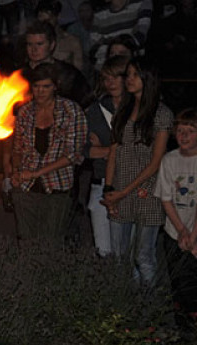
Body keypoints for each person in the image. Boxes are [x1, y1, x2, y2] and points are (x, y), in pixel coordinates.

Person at [102, 60, 173, 286]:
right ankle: (128, 309)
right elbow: (114, 152)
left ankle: (150, 312)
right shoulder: (122, 110)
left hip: (147, 191)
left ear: (147, 79)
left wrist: (124, 191)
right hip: (119, 190)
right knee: (120, 259)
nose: (129, 79)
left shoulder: (161, 114)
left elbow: (155, 162)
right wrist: (109, 189)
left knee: (143, 257)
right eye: (128, 74)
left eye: (135, 74)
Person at [9, 64, 87, 240]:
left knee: (50, 241)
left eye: (46, 87)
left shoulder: (71, 111)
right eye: (37, 86)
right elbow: (18, 148)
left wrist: (36, 173)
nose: (41, 91)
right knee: (26, 240)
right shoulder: (26, 111)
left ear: (55, 86)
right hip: (26, 187)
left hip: (57, 187)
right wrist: (16, 172)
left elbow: (72, 154)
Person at [84, 55, 131, 256]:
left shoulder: (139, 109)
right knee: (104, 250)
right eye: (106, 78)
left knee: (128, 252)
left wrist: (104, 149)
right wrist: (112, 150)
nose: (110, 83)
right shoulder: (96, 111)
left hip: (131, 184)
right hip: (101, 183)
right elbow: (84, 150)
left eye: (116, 77)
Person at [154, 108, 197, 323]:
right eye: (180, 131)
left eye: (190, 131)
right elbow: (166, 198)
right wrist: (181, 231)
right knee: (179, 282)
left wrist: (193, 236)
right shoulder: (169, 160)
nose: (184, 136)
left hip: (195, 231)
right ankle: (182, 328)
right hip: (174, 230)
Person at [89, 0, 153, 70]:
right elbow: (94, 49)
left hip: (134, 71)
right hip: (109, 73)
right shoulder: (99, 15)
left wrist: (109, 42)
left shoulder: (142, 4)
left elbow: (140, 38)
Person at [19, 21, 91, 108]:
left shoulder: (68, 74)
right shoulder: (18, 75)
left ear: (52, 45)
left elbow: (86, 102)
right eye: (30, 44)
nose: (34, 49)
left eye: (39, 44)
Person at [36, 0, 83, 73]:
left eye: (49, 20)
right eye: (43, 21)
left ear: (57, 16)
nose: (46, 25)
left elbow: (78, 72)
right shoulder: (29, 42)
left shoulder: (72, 41)